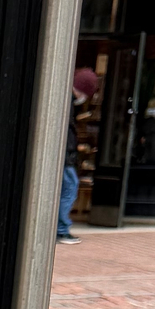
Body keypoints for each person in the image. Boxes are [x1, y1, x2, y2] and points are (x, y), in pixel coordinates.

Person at [59, 67, 96, 241]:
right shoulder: (68, 103)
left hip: (65, 155)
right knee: (69, 188)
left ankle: (60, 227)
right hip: (65, 156)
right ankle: (61, 228)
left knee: (67, 188)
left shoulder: (66, 100)